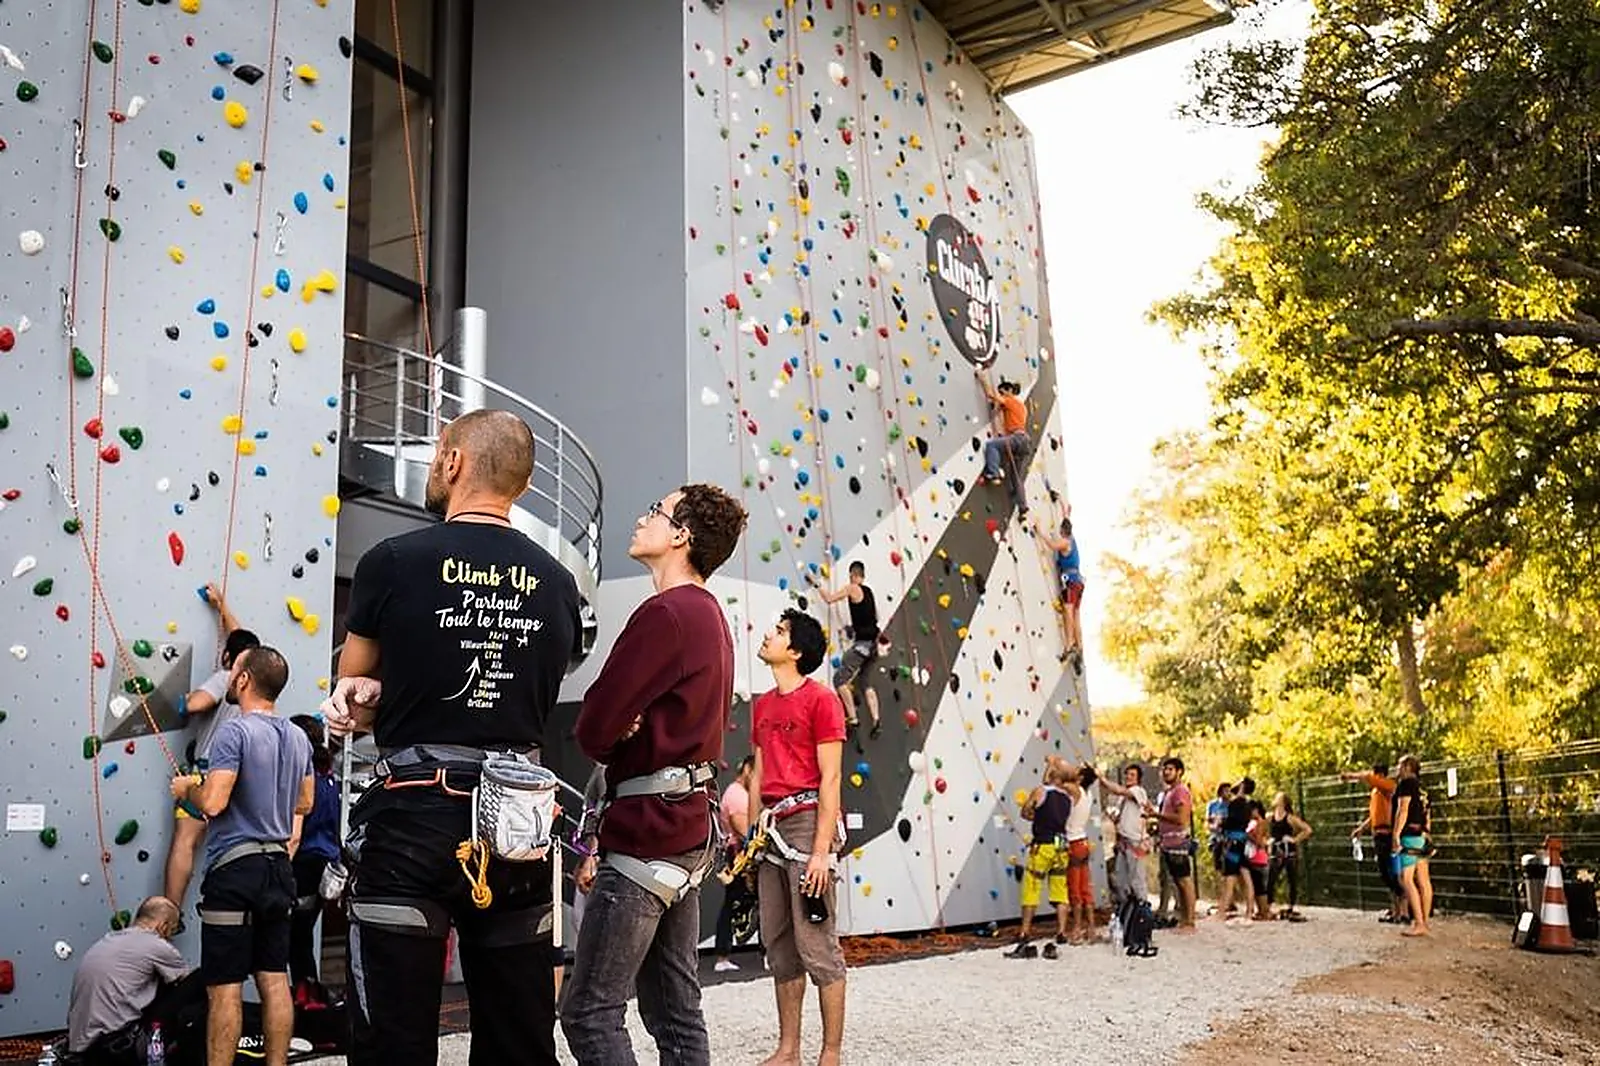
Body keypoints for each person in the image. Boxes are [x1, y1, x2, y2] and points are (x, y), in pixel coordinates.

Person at [323, 409, 583, 1066]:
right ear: (521, 487)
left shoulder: (392, 561)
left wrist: (367, 698)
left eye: (439, 452)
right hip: (518, 821)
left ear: (454, 461)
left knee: (393, 1035)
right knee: (518, 1036)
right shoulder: (557, 584)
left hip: (414, 811)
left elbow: (354, 690)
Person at [563, 484, 748, 1066]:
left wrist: (620, 728)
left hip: (646, 835)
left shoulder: (665, 613)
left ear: (682, 535)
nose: (642, 518)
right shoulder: (708, 614)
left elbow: (593, 727)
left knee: (589, 1012)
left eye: (655, 511)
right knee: (674, 1011)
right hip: (688, 833)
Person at [168, 645, 313, 1066]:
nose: (229, 678)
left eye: (233, 672)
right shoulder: (299, 736)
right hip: (278, 870)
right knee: (273, 979)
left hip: (235, 869)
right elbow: (303, 802)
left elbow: (212, 802)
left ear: (245, 680)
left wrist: (186, 790)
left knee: (225, 986)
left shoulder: (236, 731)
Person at [747, 610, 848, 1066]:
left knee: (817, 944)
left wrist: (822, 853)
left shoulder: (823, 701)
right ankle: (789, 1051)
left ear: (797, 651)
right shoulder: (762, 705)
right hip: (769, 832)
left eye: (780, 631)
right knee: (779, 943)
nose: (769, 634)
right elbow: (759, 776)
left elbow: (831, 780)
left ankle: (830, 1053)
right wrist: (749, 841)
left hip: (808, 825)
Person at [164, 583, 258, 913]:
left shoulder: (226, 677)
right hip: (243, 776)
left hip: (208, 773)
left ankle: (170, 914)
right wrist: (222, 607)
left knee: (185, 841)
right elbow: (244, 640)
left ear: (227, 658)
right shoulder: (257, 681)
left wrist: (183, 700)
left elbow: (196, 704)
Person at [65, 896, 204, 1066]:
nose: (170, 938)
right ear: (163, 926)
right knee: (200, 979)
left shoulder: (109, 940)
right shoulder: (157, 946)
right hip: (117, 1047)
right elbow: (185, 985)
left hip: (82, 1047)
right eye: (172, 931)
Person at [287, 715, 340, 1003]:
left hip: (303, 863)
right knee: (302, 934)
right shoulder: (329, 777)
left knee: (293, 936)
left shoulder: (304, 779)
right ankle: (308, 996)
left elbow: (295, 833)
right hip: (324, 864)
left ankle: (304, 998)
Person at [1008, 760, 1073, 959]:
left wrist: (1032, 813)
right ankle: (1061, 932)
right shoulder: (1067, 798)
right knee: (1060, 888)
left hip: (1042, 845)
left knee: (1032, 886)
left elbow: (1026, 811)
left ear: (1051, 777)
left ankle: (1025, 932)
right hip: (1061, 846)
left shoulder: (1040, 791)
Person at [816, 561, 882, 737]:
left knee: (839, 680)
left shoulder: (852, 588)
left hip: (863, 645)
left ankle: (853, 718)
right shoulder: (869, 592)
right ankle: (876, 720)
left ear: (853, 575)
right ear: (863, 575)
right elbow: (873, 617)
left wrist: (816, 584)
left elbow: (829, 599)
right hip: (875, 644)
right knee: (865, 682)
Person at [1341, 762, 1407, 923]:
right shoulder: (1376, 793)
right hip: (1378, 834)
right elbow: (1374, 816)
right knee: (1385, 873)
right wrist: (1361, 829)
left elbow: (1368, 778)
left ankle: (1404, 907)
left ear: (1379, 775)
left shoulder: (1388, 786)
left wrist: (1350, 776)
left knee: (1392, 873)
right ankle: (1396, 911)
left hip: (1387, 835)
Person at [713, 755, 759, 972]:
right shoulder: (738, 795)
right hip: (740, 858)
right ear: (748, 769)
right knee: (734, 904)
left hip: (740, 856)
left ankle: (723, 955)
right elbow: (745, 832)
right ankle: (723, 955)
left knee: (735, 904)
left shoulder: (739, 793)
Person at [1031, 517, 1083, 669]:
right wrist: (1063, 505)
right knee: (1075, 614)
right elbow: (1066, 513)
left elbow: (1052, 545)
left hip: (1070, 581)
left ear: (1063, 531)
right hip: (1078, 581)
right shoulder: (1072, 540)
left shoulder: (1065, 542)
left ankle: (1069, 646)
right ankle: (1078, 647)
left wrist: (1039, 531)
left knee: (1068, 612)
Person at [1392, 754, 1434, 937]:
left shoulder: (1405, 785)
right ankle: (1425, 921)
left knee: (1406, 879)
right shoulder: (1423, 789)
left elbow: (1403, 810)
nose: (1397, 769)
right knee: (1424, 880)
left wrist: (1396, 834)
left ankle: (1418, 923)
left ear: (1408, 767)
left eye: (1400, 766)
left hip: (1409, 835)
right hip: (1422, 836)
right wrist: (1426, 833)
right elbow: (1428, 815)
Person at [1098, 764, 1150, 908]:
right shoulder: (1124, 799)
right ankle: (1129, 913)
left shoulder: (1138, 791)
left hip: (1135, 842)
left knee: (1137, 880)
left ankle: (1143, 914)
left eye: (1132, 775)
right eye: (1127, 774)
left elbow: (1118, 790)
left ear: (1139, 779)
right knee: (1121, 880)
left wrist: (1102, 778)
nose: (1128, 777)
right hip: (1123, 842)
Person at [1154, 757, 1197, 932]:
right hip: (1168, 843)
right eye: (1164, 769)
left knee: (1184, 881)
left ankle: (1190, 921)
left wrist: (1157, 816)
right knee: (1178, 883)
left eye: (1170, 769)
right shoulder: (1169, 793)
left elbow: (1182, 818)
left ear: (1179, 771)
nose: (1166, 772)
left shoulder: (1180, 792)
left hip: (1178, 843)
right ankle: (1184, 918)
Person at [1059, 762, 1098, 943]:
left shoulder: (1075, 791)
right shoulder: (1087, 794)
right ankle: (1091, 928)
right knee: (1085, 888)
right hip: (1083, 841)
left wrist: (1054, 765)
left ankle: (1077, 929)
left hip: (1073, 842)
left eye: (1078, 772)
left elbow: (1058, 783)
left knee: (1074, 889)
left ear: (1081, 778)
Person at [974, 369, 1030, 489]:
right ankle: (1022, 504)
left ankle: (994, 474)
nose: (1001, 395)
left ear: (1009, 391)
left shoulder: (1010, 401)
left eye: (1002, 392)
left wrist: (982, 378)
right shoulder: (1022, 407)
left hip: (1017, 438)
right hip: (1023, 441)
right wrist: (997, 406)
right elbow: (997, 411)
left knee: (992, 445)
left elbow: (990, 394)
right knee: (1016, 476)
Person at [1211, 776, 1257, 922]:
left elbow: (1230, 822)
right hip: (1243, 841)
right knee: (1246, 876)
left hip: (1233, 842)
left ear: (1242, 785)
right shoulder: (1249, 804)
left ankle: (1222, 913)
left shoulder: (1235, 803)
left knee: (1229, 878)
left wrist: (1220, 823)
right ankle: (1249, 911)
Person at [1266, 792, 1313, 921]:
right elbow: (1259, 827)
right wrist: (1266, 841)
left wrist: (1294, 839)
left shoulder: (1290, 818)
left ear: (1284, 802)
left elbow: (1308, 829)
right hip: (1275, 851)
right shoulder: (1270, 817)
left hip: (1289, 851)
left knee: (1292, 878)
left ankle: (1291, 906)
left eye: (1279, 797)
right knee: (1271, 878)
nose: (1276, 799)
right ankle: (1269, 904)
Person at [1206, 782, 1232, 877]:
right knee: (1218, 866)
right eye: (1226, 791)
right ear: (1220, 792)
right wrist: (1214, 826)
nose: (1228, 793)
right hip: (1216, 837)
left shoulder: (1233, 805)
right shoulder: (1212, 805)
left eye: (1230, 791)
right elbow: (1208, 822)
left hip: (1229, 838)